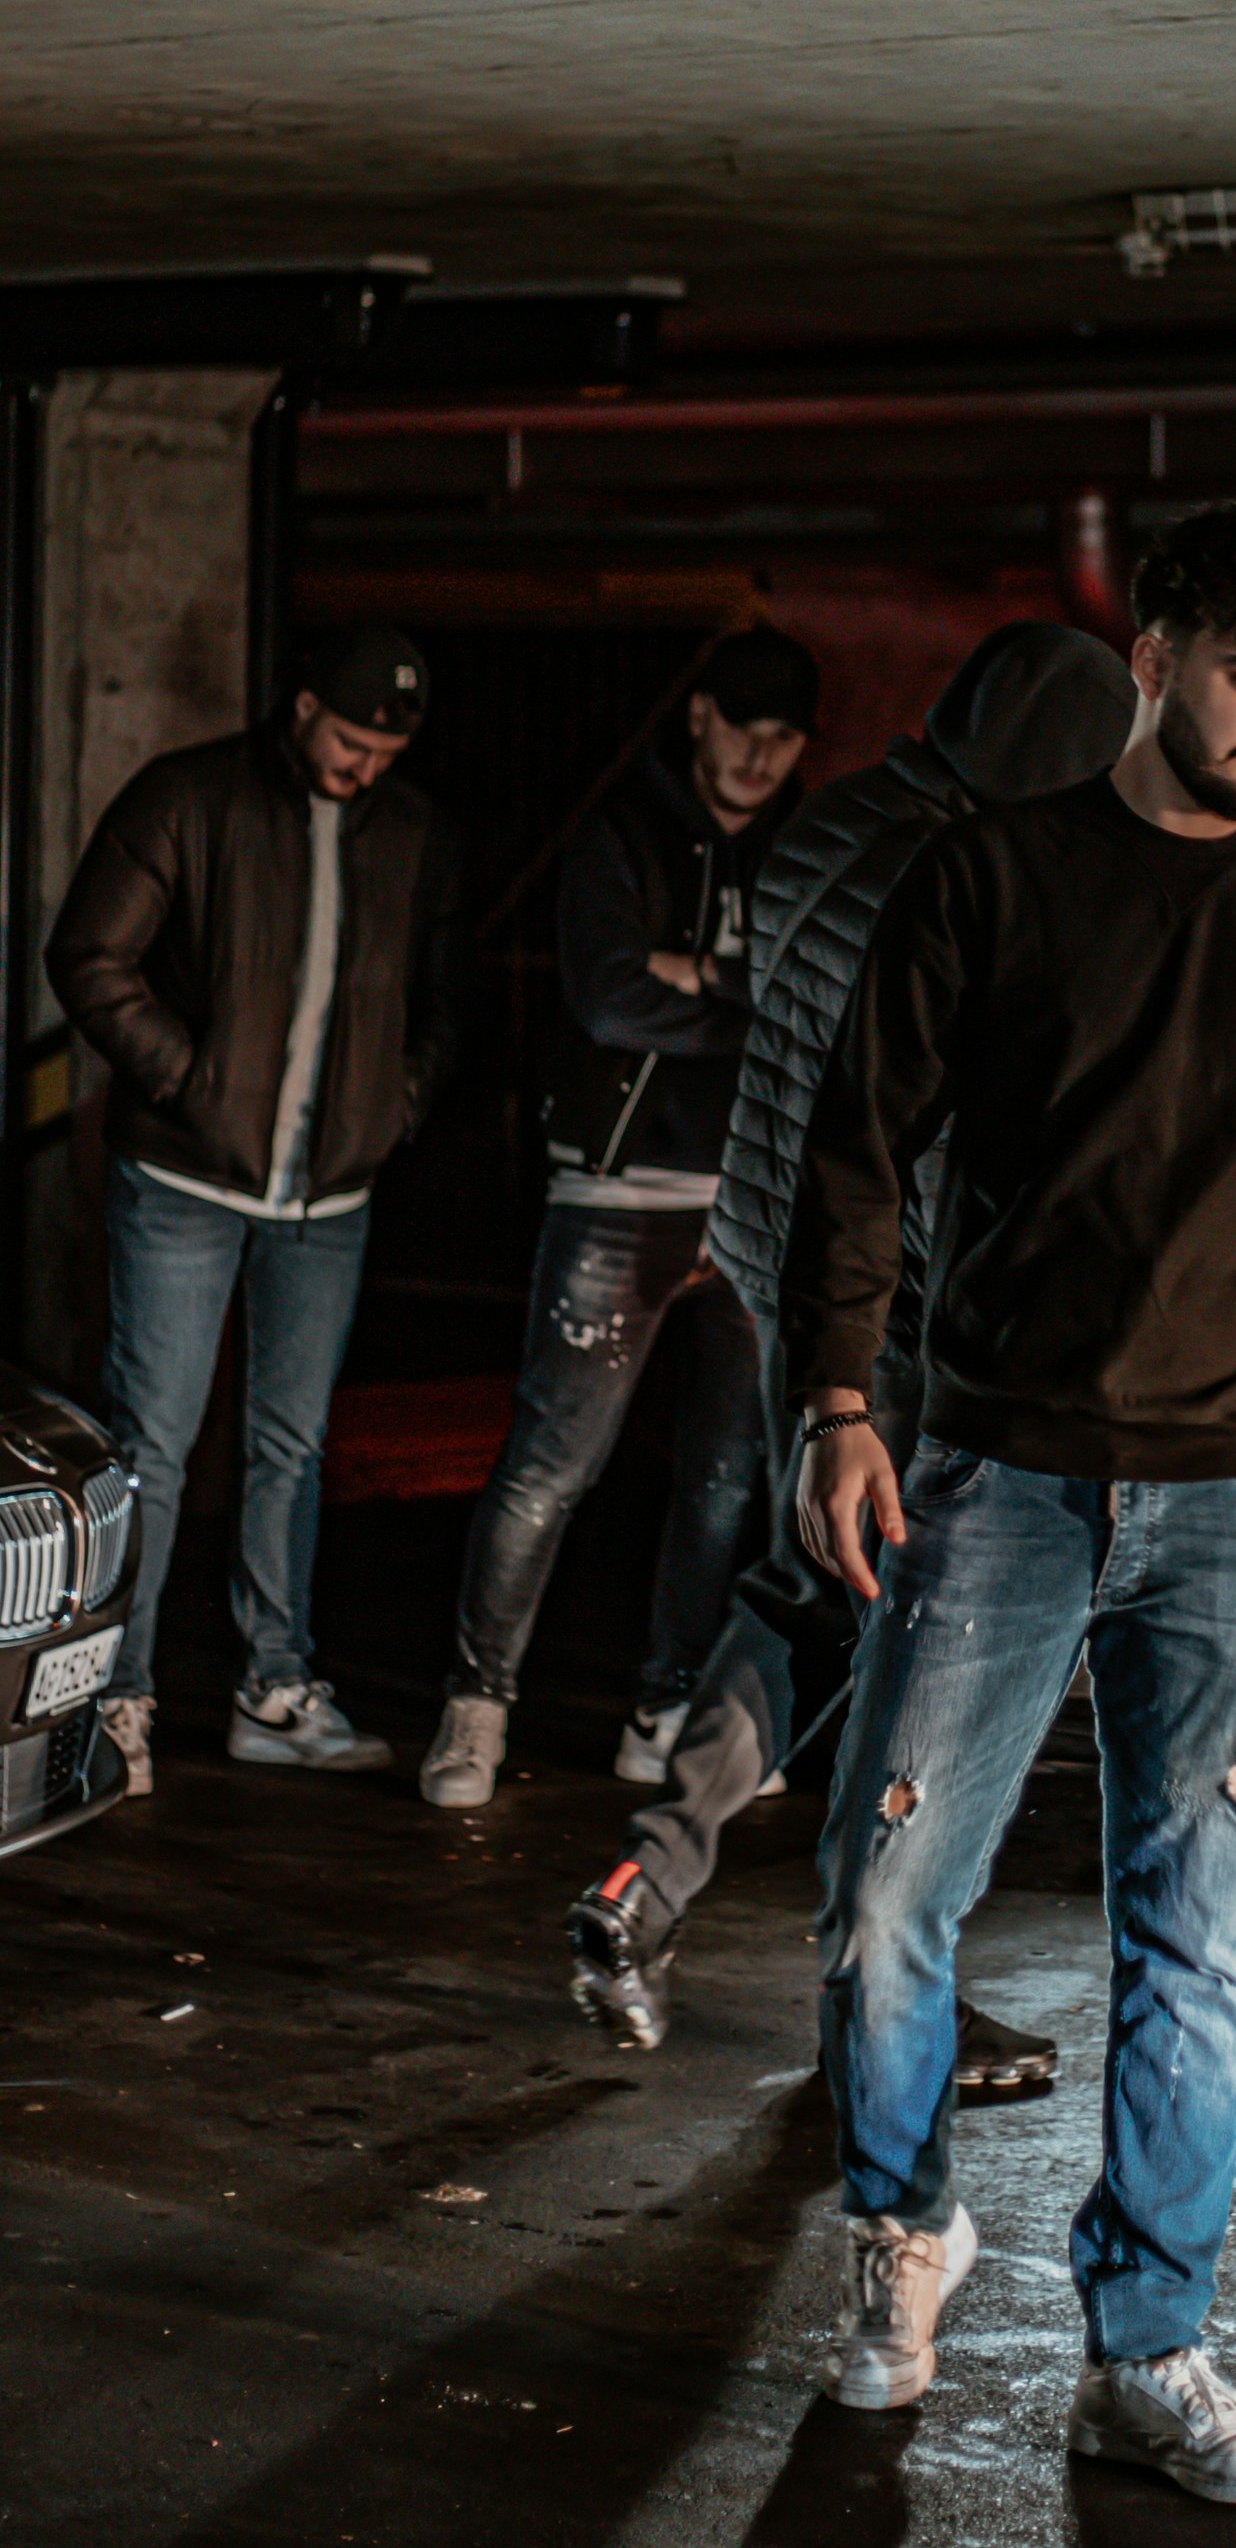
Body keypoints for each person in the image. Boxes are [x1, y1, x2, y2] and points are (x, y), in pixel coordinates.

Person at [783, 503, 1236, 2502]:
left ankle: (1151, 2340)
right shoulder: (989, 880)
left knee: (1198, 1945)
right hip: (997, 1475)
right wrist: (841, 1398)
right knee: (889, 1900)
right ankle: (906, 2237)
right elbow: (858, 1151)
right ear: (1154, 656)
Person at [564, 619, 1137, 2094]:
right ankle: (871, 2004)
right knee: (905, 1634)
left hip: (788, 1269)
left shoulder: (838, 826)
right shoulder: (962, 880)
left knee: (817, 1590)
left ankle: (666, 1894)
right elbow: (937, 1138)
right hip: (896, 1311)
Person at [47, 624, 462, 1788]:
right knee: (153, 1442)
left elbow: (446, 997)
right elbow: (87, 953)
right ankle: (117, 1697)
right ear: (300, 707)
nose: (363, 763)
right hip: (184, 1178)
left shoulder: (418, 834)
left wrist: (399, 1103)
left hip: (330, 1194)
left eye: (386, 747)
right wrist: (187, 1082)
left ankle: (273, 1685)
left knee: (293, 1443)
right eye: (348, 737)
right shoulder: (188, 796)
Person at [419, 624, 817, 1810]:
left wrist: (693, 972)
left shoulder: (807, 847)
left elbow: (818, 1002)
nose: (759, 753)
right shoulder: (621, 828)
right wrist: (744, 998)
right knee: (552, 1462)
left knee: (724, 1473)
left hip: (751, 1192)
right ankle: (474, 1707)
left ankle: (668, 1708)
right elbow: (606, 997)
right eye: (741, 725)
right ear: (697, 716)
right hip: (616, 1185)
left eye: (783, 734)